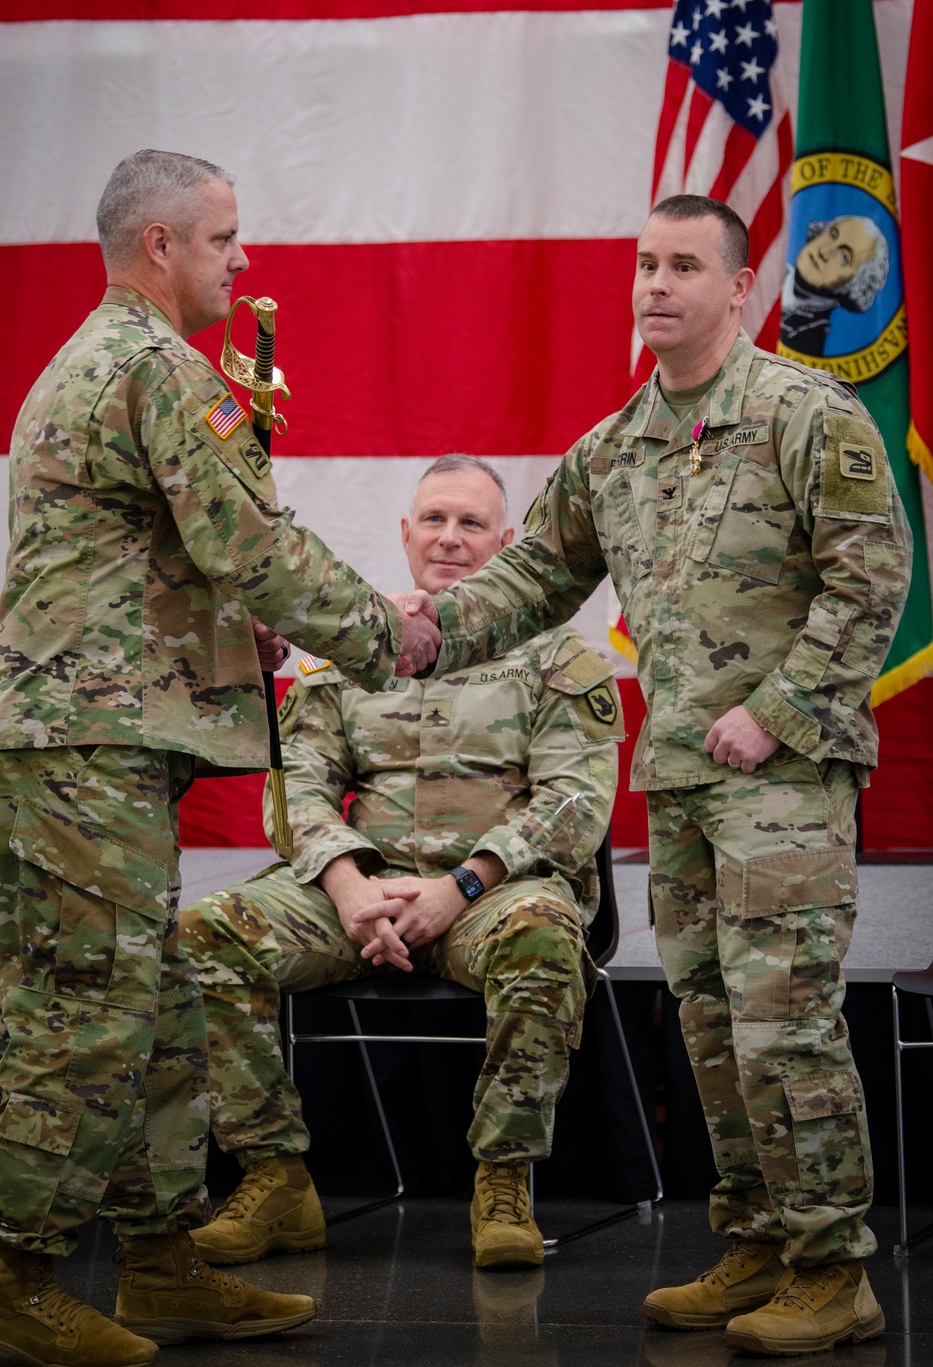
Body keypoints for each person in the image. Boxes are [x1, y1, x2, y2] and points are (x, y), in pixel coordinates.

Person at [393, 196, 912, 1356]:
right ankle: (756, 1244)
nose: (656, 284)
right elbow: (530, 582)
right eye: (643, 264)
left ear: (738, 288)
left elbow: (873, 577)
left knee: (786, 1025)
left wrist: (776, 713)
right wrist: (425, 629)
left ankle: (834, 1268)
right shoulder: (615, 446)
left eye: (684, 265)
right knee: (712, 1026)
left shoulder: (801, 413)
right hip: (679, 778)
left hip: (783, 775)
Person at [0, 149, 439, 1367]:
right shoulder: (156, 366)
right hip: (83, 747)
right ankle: (14, 1282)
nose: (246, 260)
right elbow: (255, 545)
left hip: (90, 740)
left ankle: (164, 1263)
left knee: (160, 1005)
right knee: (86, 1017)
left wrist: (243, 624)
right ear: (161, 246)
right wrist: (392, 634)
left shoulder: (95, 359)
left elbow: (155, 561)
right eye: (226, 239)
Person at [180, 454, 622, 1271]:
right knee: (204, 934)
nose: (449, 539)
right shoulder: (347, 653)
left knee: (543, 938)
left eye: (472, 523)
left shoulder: (561, 659)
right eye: (434, 519)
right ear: (405, 532)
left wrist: (459, 888)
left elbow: (574, 804)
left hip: (494, 897)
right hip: (361, 895)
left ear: (508, 542)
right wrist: (350, 889)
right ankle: (275, 1178)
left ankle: (503, 1182)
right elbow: (295, 789)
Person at [780, 214, 890, 357]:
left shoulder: (809, 336)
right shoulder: (766, 279)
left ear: (856, 285)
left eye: (844, 256)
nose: (824, 251)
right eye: (832, 235)